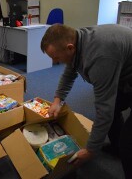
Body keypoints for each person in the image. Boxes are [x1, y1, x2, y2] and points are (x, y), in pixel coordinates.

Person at [40, 24, 132, 178]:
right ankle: (116, 149)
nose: (55, 62)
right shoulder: (77, 41)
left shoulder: (100, 58)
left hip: (122, 71)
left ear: (70, 48)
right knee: (115, 108)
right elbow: (69, 73)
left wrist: (91, 150)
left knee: (128, 143)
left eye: (56, 57)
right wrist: (57, 100)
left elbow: (104, 109)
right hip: (124, 72)